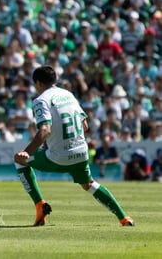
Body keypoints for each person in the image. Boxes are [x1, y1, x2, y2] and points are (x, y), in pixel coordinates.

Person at [13, 65, 134, 227]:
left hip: (58, 157)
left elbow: (45, 129)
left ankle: (39, 205)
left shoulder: (41, 100)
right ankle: (124, 218)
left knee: (19, 160)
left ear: (38, 83)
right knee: (89, 185)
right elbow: (85, 126)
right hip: (81, 153)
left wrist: (27, 152)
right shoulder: (68, 95)